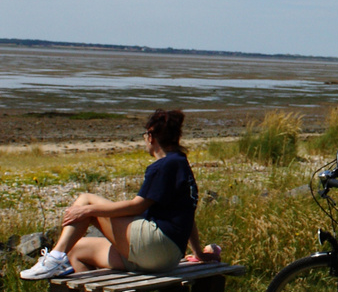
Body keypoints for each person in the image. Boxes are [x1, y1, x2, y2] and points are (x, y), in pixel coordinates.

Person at [19, 108, 219, 280]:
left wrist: (89, 211)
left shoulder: (164, 165)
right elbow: (188, 214)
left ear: (151, 136)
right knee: (77, 250)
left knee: (85, 199)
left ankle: (54, 258)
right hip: (168, 257)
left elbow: (137, 206)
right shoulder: (181, 163)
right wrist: (198, 252)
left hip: (155, 247)